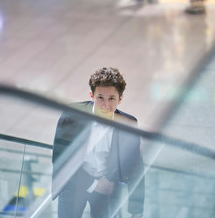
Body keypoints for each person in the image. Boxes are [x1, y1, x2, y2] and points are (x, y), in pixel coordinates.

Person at [52, 67, 145, 218]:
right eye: (100, 97)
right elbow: (59, 158)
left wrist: (136, 209)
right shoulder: (72, 116)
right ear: (92, 95)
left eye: (111, 99)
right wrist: (94, 185)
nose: (105, 105)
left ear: (120, 99)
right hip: (74, 183)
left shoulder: (129, 123)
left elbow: (136, 166)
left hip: (107, 187)